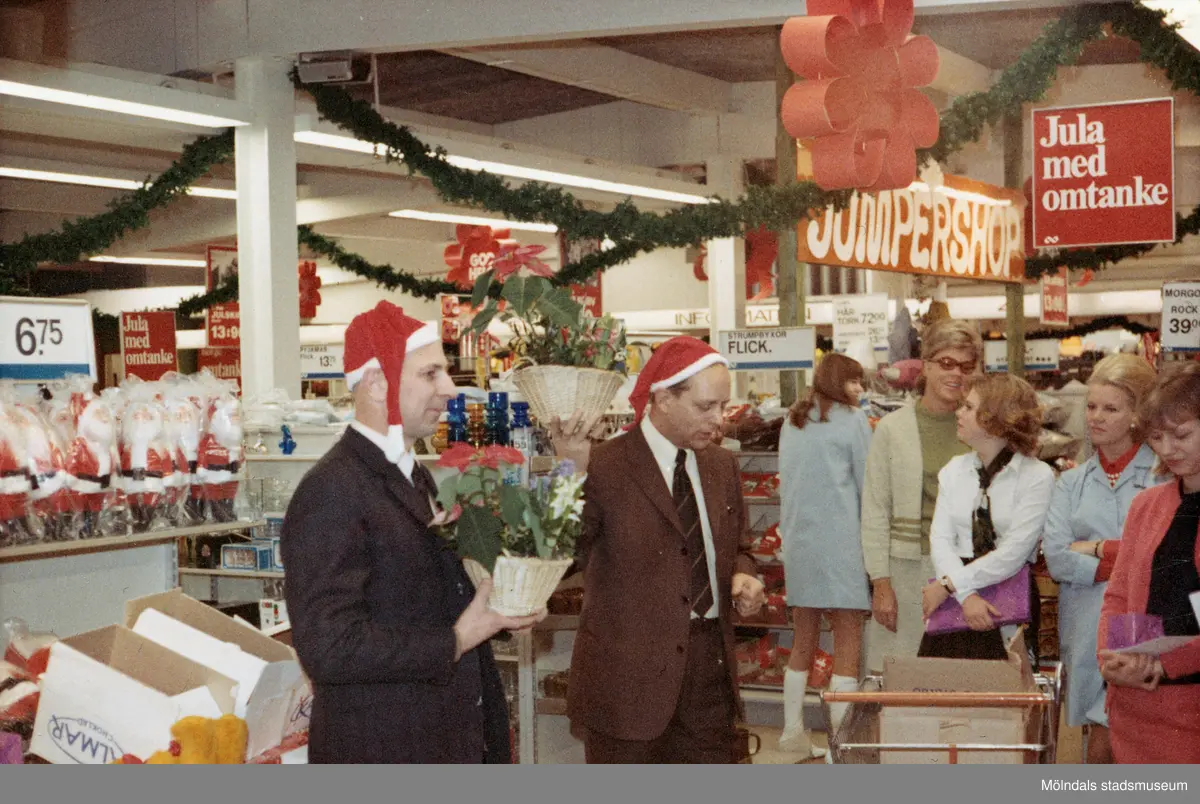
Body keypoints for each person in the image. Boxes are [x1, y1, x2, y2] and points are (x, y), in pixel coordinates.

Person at [282, 301, 543, 764]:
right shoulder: (331, 490)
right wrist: (456, 640)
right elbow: (329, 645)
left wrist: (497, 611)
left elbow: (421, 600)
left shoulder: (414, 476)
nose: (449, 389)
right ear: (378, 382)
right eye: (430, 374)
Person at [556, 336, 766, 763]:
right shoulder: (604, 465)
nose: (719, 420)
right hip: (626, 683)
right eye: (706, 407)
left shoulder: (721, 466)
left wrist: (744, 574)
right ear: (664, 398)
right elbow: (558, 557)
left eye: (723, 406)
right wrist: (569, 473)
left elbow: (740, 547)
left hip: (710, 673)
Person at [1043, 353, 1159, 764]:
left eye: (1111, 408)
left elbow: (1157, 556)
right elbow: (1056, 560)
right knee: (1099, 734)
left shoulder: (1162, 478)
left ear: (1137, 415)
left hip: (1142, 624)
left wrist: (1094, 549)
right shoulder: (1071, 482)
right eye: (1091, 406)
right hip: (1083, 624)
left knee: (1116, 740)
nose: (1096, 417)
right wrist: (1127, 555)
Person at [860, 319, 982, 672]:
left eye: (966, 366)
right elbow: (875, 511)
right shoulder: (891, 430)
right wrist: (880, 583)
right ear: (925, 364)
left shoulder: (982, 427)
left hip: (970, 574)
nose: (956, 373)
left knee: (962, 678)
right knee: (905, 678)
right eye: (946, 363)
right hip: (907, 573)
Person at [1098, 362, 1200, 764]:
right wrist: (1111, 659)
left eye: (1182, 435)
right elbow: (1118, 595)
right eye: (1157, 437)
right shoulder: (1147, 505)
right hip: (1135, 714)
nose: (1167, 448)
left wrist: (1161, 665)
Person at [919, 373, 1054, 660]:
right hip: (955, 600)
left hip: (1007, 595)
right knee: (946, 696)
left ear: (995, 418)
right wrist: (965, 595)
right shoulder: (954, 471)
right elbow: (941, 540)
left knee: (1005, 697)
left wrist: (949, 585)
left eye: (968, 407)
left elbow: (1013, 554)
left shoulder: (1036, 476)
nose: (959, 413)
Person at [777, 353, 872, 757]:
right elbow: (868, 487)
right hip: (843, 544)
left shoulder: (791, 420)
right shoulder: (853, 423)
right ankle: (840, 747)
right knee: (847, 644)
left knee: (804, 638)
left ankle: (791, 731)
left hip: (799, 543)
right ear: (838, 382)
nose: (860, 390)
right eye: (855, 382)